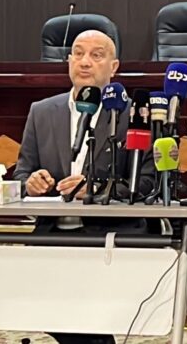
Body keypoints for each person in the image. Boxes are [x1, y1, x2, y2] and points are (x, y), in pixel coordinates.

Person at [13, 31, 156, 344]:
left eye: (96, 55)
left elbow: (146, 184)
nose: (85, 62)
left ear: (114, 67)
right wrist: (31, 183)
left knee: (84, 315)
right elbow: (21, 173)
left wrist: (96, 188)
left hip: (109, 235)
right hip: (52, 235)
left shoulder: (133, 114)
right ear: (68, 62)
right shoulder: (42, 111)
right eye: (78, 54)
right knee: (40, 301)